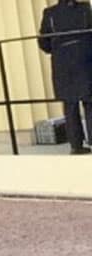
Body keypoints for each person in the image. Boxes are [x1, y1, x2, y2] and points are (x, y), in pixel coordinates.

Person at [39, 0, 92, 154]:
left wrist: (57, 50)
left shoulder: (49, 13)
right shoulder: (85, 8)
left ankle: (76, 145)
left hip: (62, 64)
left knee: (70, 105)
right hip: (85, 60)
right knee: (89, 102)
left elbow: (43, 42)